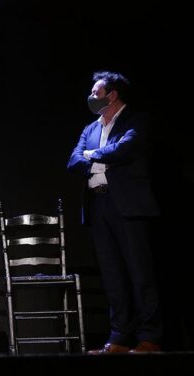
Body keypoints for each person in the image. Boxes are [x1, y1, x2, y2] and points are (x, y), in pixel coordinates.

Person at [67, 71, 162, 354]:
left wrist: (92, 156)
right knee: (112, 275)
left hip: (128, 206)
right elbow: (73, 161)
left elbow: (124, 150)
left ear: (113, 94)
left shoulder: (135, 120)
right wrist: (97, 158)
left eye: (96, 92)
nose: (92, 97)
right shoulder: (90, 128)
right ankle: (119, 337)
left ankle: (150, 337)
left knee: (139, 272)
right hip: (99, 205)